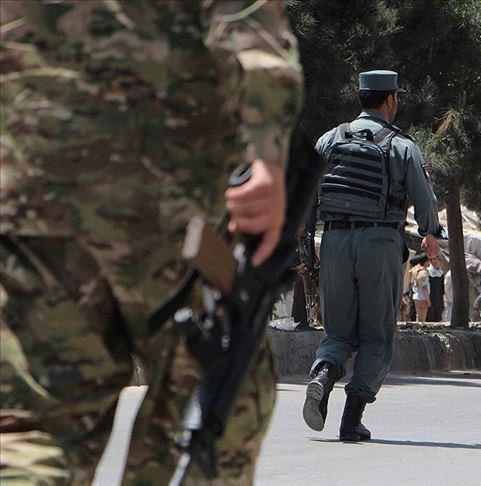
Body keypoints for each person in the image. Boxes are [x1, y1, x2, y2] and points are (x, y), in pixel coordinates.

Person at [0, 1, 302, 483]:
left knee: (35, 428)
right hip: (168, 200)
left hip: (32, 196)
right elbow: (247, 21)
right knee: (214, 401)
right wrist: (266, 153)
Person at [303, 70, 444, 441]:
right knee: (376, 335)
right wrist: (430, 233)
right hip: (379, 243)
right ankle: (351, 419)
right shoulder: (402, 146)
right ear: (391, 99)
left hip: (334, 241)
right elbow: (425, 200)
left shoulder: (329, 139)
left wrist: (307, 245)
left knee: (337, 331)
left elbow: (304, 196)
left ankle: (324, 374)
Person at [410, 254, 432, 322]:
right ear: (425, 261)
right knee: (421, 318)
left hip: (417, 296)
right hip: (422, 298)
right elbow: (424, 287)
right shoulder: (423, 272)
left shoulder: (415, 270)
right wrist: (428, 299)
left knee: (419, 317)